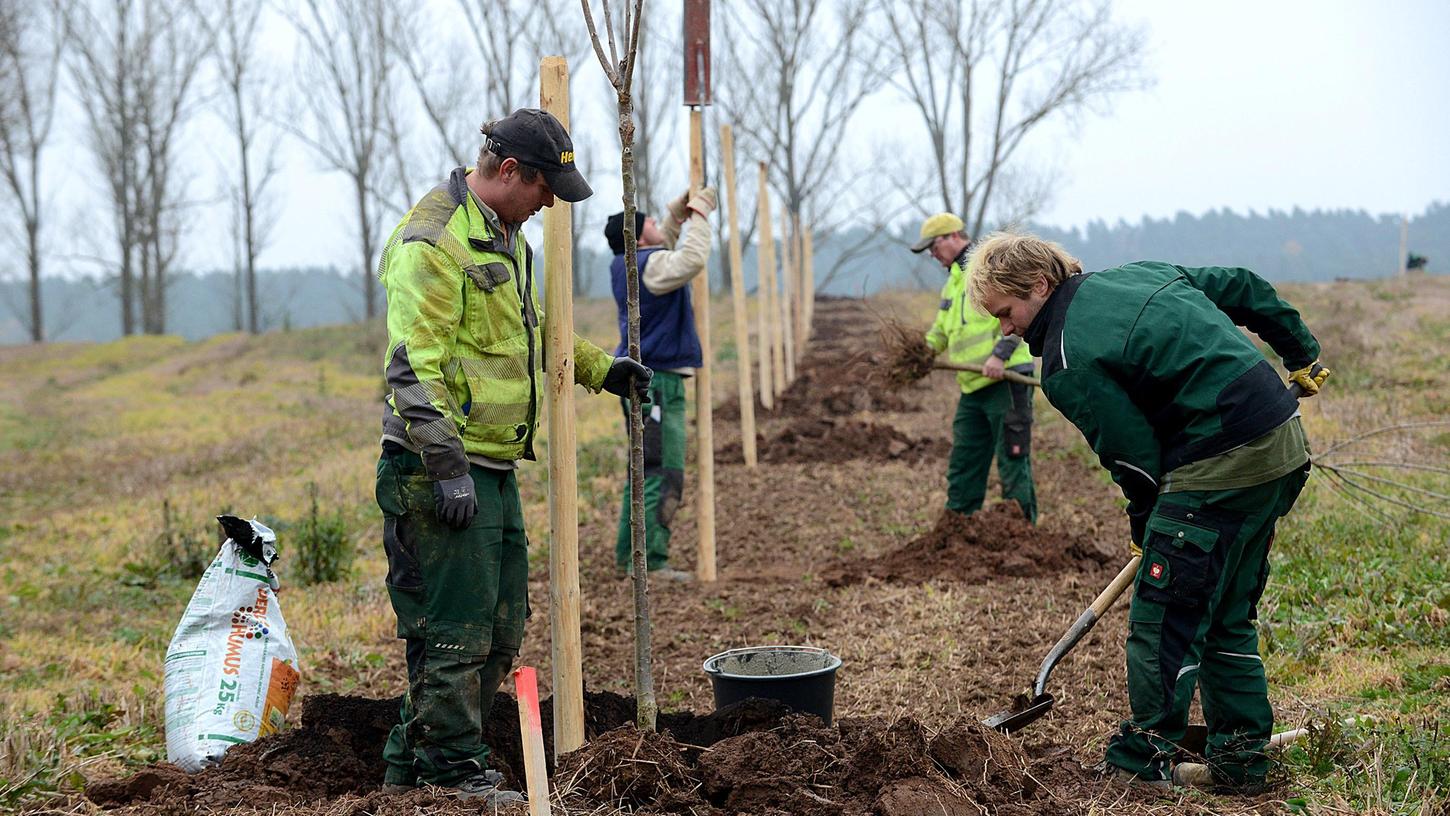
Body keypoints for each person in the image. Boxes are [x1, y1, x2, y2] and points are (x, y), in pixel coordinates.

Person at [967, 231, 1331, 792]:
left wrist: (1150, 532)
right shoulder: (1140, 273)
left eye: (1005, 312)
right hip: (1282, 447)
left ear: (1039, 286)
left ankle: (1148, 757)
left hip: (1221, 459)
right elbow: (1245, 287)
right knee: (1225, 612)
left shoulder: (1066, 360)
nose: (1005, 329)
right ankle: (1240, 759)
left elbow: (1135, 463)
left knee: (1165, 618)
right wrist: (1301, 352)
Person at [374, 108, 652, 803]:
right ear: (507, 173)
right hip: (438, 470)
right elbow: (414, 365)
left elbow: (527, 337)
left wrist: (599, 368)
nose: (551, 201)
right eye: (545, 188)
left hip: (493, 467)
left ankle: (407, 771)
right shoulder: (433, 241)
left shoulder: (506, 236)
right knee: (454, 634)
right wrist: (446, 467)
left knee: (499, 630)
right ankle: (454, 775)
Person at [604, 186, 717, 581]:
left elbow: (663, 250)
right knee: (660, 472)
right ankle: (649, 562)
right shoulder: (648, 266)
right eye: (650, 222)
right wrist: (700, 215)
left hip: (647, 379)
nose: (656, 224)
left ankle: (629, 556)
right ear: (636, 238)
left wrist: (674, 218)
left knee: (643, 470)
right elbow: (689, 259)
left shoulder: (632, 264)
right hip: (659, 386)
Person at [909, 213, 1038, 522]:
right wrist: (922, 353)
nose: (931, 254)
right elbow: (942, 330)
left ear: (953, 236)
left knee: (1011, 458)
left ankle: (1020, 533)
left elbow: (1019, 314)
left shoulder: (989, 269)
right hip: (973, 386)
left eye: (933, 246)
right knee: (965, 459)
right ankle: (957, 529)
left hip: (1006, 380)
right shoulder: (953, 284)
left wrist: (999, 355)